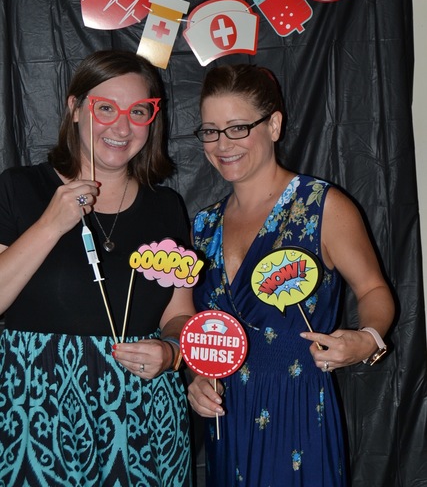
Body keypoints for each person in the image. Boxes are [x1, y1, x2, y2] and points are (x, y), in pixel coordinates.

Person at [187, 63, 395, 487]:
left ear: (274, 125)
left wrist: (368, 339)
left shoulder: (322, 207)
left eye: (238, 128)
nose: (223, 144)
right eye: (211, 131)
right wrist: (197, 379)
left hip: (299, 412)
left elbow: (374, 288)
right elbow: (200, 329)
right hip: (228, 419)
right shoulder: (203, 226)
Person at [0, 50, 195, 486]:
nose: (122, 128)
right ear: (75, 108)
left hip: (145, 417)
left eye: (138, 111)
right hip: (38, 412)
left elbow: (180, 314)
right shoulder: (19, 188)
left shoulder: (166, 207)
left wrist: (170, 352)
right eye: (106, 108)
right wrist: (51, 224)